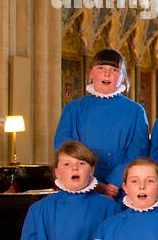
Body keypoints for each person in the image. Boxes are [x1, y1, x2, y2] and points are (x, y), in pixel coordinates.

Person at [53, 47, 149, 197]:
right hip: (81, 184)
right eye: (101, 68)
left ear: (123, 77)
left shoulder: (135, 111)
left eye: (114, 70)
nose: (107, 73)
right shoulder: (73, 109)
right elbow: (64, 148)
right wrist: (92, 181)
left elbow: (138, 151)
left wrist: (114, 182)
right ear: (91, 73)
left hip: (120, 188)